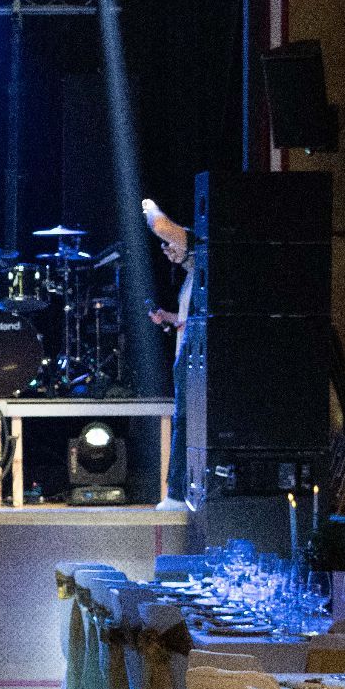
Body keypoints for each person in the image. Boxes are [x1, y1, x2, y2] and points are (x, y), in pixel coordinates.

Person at [143, 198, 192, 511]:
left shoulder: (202, 249)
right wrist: (170, 318)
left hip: (191, 359)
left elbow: (161, 226)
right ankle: (178, 493)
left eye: (172, 246)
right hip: (184, 353)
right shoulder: (192, 279)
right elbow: (190, 318)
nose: (168, 251)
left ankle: (176, 494)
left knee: (184, 421)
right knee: (182, 420)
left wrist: (150, 208)